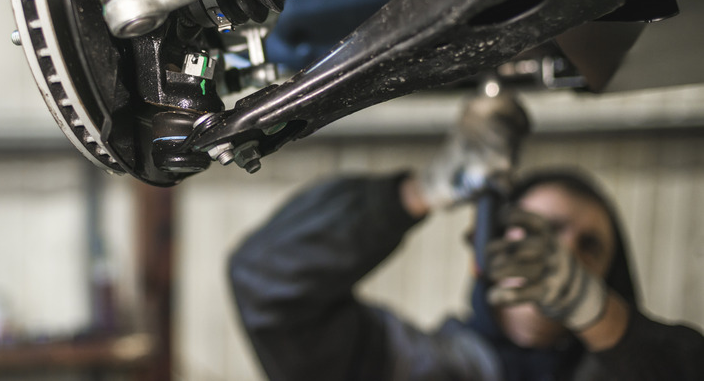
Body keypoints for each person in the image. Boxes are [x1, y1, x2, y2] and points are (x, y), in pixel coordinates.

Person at [228, 93, 704, 380]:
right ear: (483, 248)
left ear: (609, 278)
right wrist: (423, 191)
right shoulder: (409, 369)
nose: (565, 253)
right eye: (546, 230)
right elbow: (265, 278)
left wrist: (595, 313)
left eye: (591, 246)